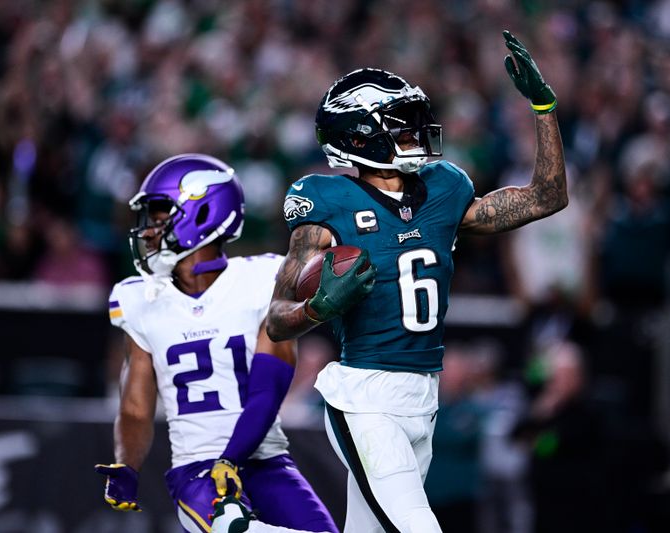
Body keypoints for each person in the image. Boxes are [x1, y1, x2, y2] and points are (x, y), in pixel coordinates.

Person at [228, 30, 566, 533]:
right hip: (365, 397)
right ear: (358, 138)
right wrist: (318, 309)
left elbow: (547, 196)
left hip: (423, 397)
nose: (415, 135)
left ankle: (239, 529)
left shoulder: (444, 188)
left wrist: (543, 106)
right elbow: (277, 322)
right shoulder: (326, 205)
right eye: (399, 127)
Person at [93, 153, 337, 533]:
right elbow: (137, 406)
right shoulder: (139, 299)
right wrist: (127, 463)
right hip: (196, 470)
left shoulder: (261, 280)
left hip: (264, 461)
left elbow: (266, 391)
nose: (149, 231)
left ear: (202, 213)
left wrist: (232, 459)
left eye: (159, 218)